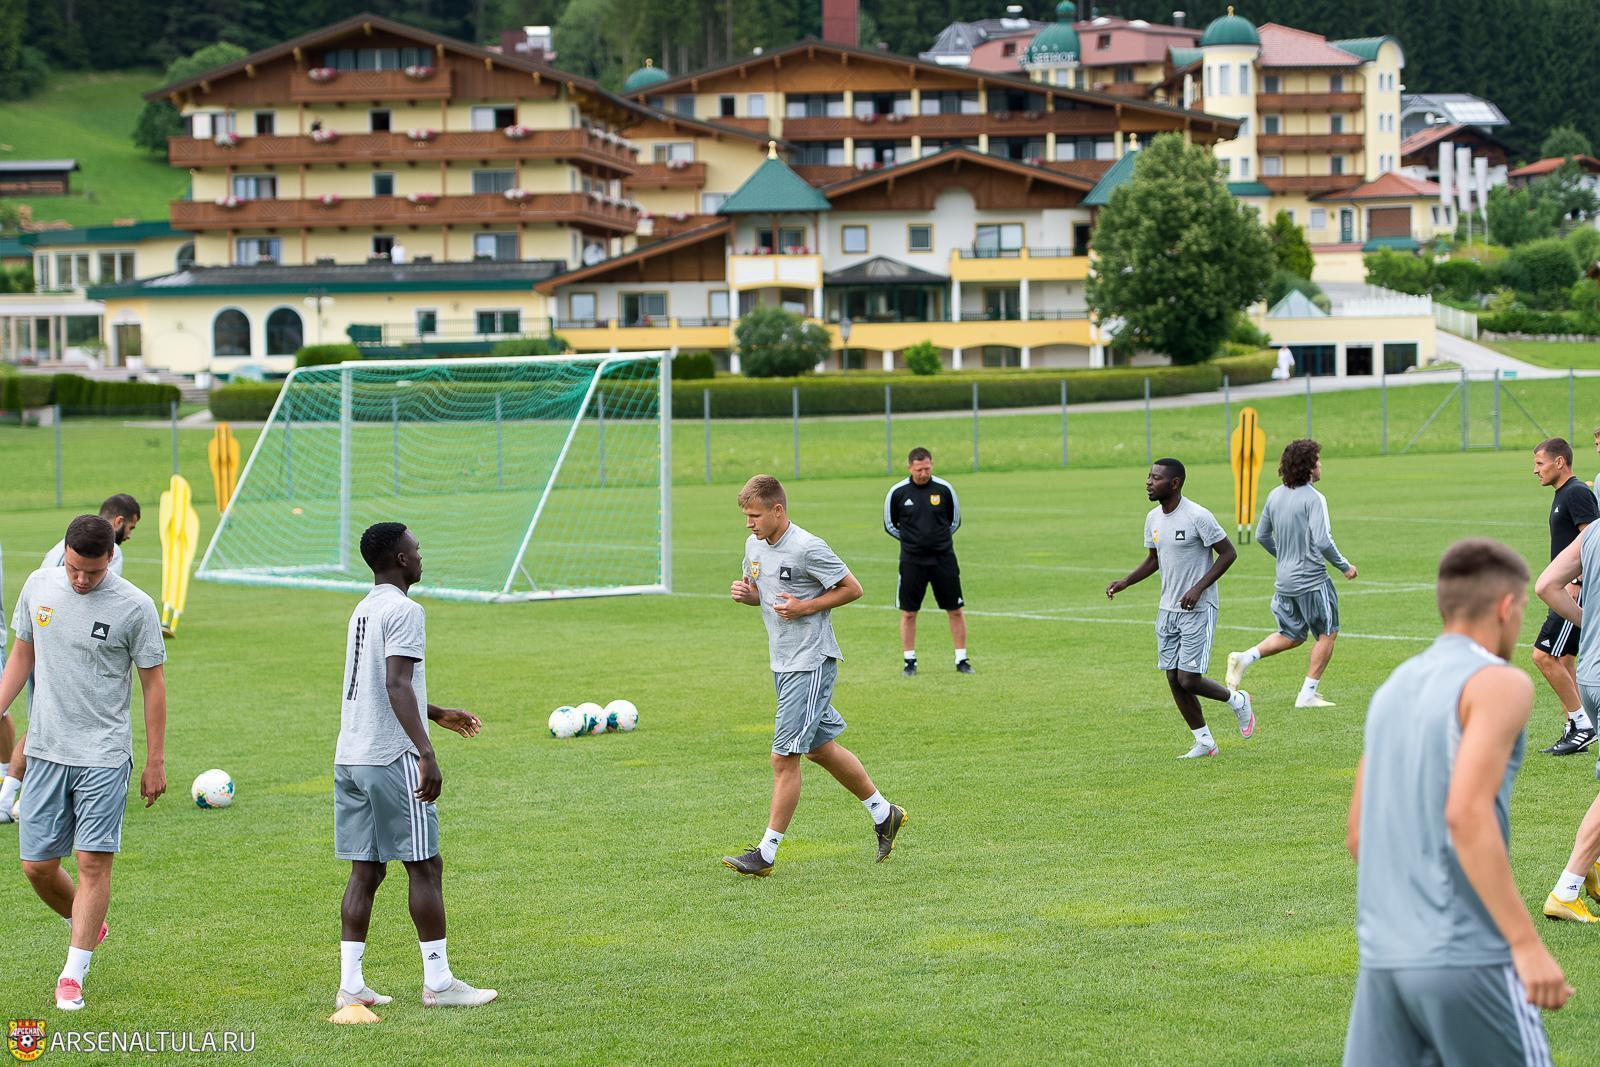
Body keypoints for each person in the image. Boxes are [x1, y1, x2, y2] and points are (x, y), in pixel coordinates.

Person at [1344, 539, 1567, 1063]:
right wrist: (1525, 944)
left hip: (1384, 960)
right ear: (1507, 608)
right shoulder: (1499, 683)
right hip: (1464, 957)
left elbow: (1359, 835)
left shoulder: (1394, 686)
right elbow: (1466, 815)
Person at [0, 515, 167, 1011]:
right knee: (37, 866)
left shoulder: (135, 606)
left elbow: (153, 685)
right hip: (45, 749)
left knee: (92, 862)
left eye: (91, 572)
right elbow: (21, 656)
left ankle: (72, 974)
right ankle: (88, 921)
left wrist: (155, 760)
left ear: (110, 558)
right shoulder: (39, 585)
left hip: (103, 754)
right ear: (65, 555)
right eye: (74, 568)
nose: (80, 579)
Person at [333, 522, 495, 1009]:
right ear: (401, 560)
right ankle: (439, 984)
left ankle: (351, 986)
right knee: (425, 864)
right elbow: (396, 684)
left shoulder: (363, 609)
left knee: (366, 870)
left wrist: (436, 711)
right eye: (416, 549)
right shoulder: (406, 610)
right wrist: (426, 751)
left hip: (351, 756)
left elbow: (379, 687)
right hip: (391, 757)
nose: (421, 556)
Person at [724, 475, 906, 876]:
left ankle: (765, 854)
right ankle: (884, 813)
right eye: (745, 516)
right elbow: (765, 594)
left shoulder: (808, 547)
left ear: (778, 510)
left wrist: (805, 607)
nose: (749, 523)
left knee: (783, 756)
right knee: (820, 748)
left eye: (755, 515)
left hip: (810, 661)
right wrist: (750, 596)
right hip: (782, 662)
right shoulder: (754, 546)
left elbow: (852, 588)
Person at [1, 493, 143, 823]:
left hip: (41, 642)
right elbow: (97, 605)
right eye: (131, 527)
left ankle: (11, 796)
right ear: (118, 522)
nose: (81, 577)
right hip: (61, 652)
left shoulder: (62, 544)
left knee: (42, 723)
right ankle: (21, 797)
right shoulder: (110, 552)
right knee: (48, 724)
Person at [1106, 459, 1254, 758]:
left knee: (1189, 679)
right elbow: (1154, 559)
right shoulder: (1153, 518)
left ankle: (1237, 700)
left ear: (1174, 483)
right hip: (1167, 610)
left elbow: (1228, 553)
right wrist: (1126, 581)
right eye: (1148, 476)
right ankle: (1205, 742)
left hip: (1198, 609)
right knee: (1173, 678)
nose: (1148, 482)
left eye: (1156, 478)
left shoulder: (1197, 515)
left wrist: (1198, 588)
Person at [1225, 440, 1357, 708]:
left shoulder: (1275, 495)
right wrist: (1344, 566)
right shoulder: (1314, 498)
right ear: (1308, 467)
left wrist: (1284, 556)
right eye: (1317, 460)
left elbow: (1262, 536)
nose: (1320, 465)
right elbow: (1323, 540)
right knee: (1327, 633)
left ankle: (1244, 658)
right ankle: (1307, 695)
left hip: (1284, 581)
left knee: (1292, 635)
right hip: (1312, 580)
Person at [1530, 438, 1597, 756]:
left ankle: (1583, 725)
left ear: (1560, 462)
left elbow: (1592, 539)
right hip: (1565, 587)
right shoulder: (1565, 493)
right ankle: (1577, 725)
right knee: (1566, 659)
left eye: (1540, 463)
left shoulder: (1576, 493)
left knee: (1543, 656)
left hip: (1572, 591)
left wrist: (1577, 581)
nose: (1535, 470)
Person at [883, 447, 971, 676]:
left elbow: (955, 521)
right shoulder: (897, 492)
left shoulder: (944, 489)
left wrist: (937, 541)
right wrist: (913, 542)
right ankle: (909, 661)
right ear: (909, 468)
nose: (924, 473)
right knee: (909, 612)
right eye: (919, 470)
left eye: (927, 468)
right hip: (912, 561)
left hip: (944, 559)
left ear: (932, 465)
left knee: (955, 609)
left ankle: (962, 659)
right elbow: (890, 525)